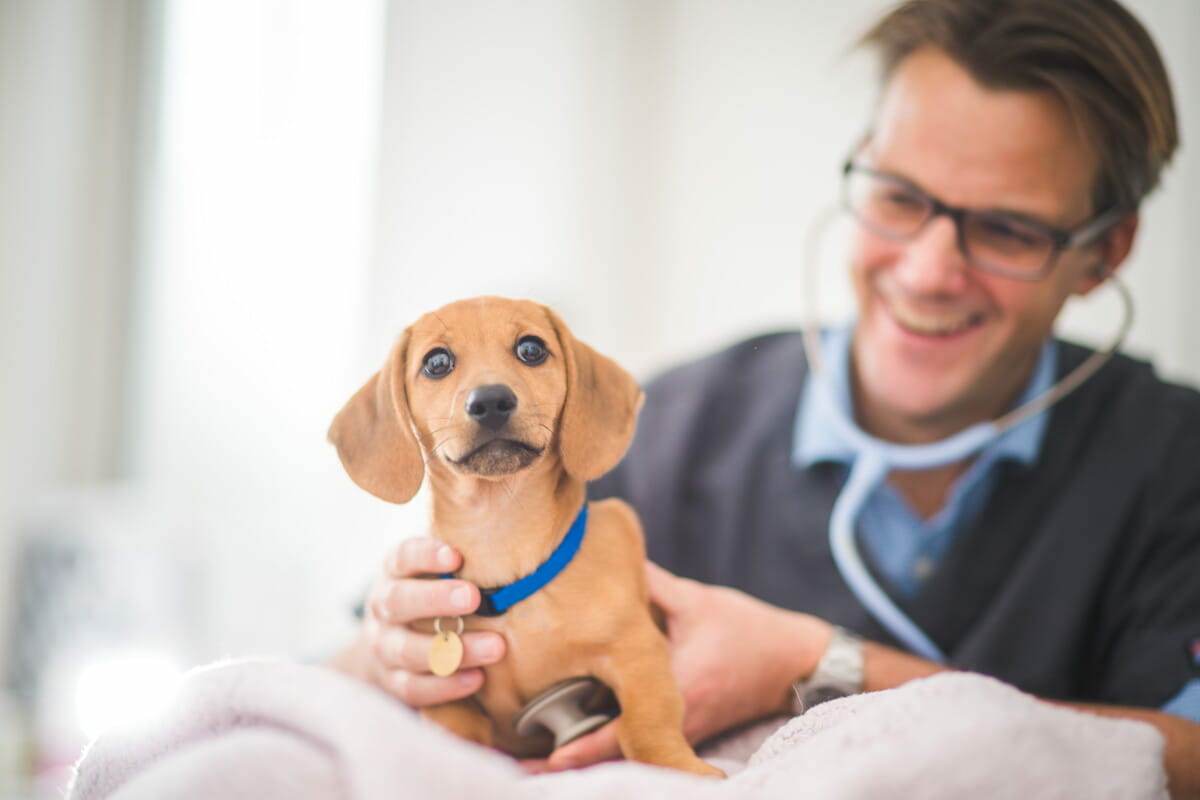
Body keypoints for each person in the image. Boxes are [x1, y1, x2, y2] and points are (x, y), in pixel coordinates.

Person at [332, 0, 1200, 795]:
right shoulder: (664, 424)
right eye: (900, 197)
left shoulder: (1173, 466)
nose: (930, 272)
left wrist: (822, 665)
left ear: (1105, 252)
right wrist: (397, 655)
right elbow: (335, 666)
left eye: (1007, 228)